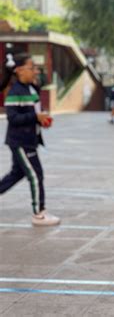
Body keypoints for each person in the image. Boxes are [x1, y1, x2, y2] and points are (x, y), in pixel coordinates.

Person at [0, 53, 60, 226]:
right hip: (20, 142)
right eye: (31, 67)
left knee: (16, 174)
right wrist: (35, 117)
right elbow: (13, 118)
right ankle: (39, 214)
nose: (35, 71)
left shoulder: (32, 88)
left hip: (30, 139)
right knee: (36, 175)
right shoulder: (15, 92)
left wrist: (42, 120)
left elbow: (35, 112)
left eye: (35, 68)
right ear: (18, 70)